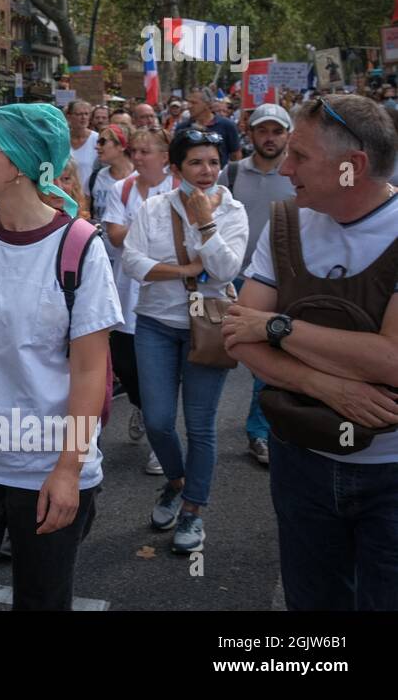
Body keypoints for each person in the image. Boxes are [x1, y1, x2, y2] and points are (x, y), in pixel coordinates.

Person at [0, 103, 120, 610]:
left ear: (23, 162)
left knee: (41, 600)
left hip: (45, 463)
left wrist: (69, 469)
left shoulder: (78, 247)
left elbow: (90, 370)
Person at [223, 94, 398, 610]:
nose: (285, 168)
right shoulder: (286, 224)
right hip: (300, 460)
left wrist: (275, 325)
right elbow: (237, 337)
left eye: (300, 155)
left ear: (353, 166)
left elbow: (392, 360)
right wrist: (327, 385)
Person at [122, 130, 248, 554]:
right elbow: (134, 263)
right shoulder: (152, 209)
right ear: (176, 169)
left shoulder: (233, 211)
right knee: (157, 420)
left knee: (200, 426)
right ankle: (176, 483)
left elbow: (228, 271)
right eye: (196, 163)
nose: (207, 171)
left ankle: (193, 510)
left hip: (208, 325)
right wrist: (187, 271)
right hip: (156, 324)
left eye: (213, 162)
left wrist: (205, 224)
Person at [217, 103, 296, 466]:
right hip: (231, 278)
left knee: (269, 356)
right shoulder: (230, 174)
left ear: (287, 136)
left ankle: (259, 430)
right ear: (250, 133)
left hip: (281, 281)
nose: (269, 138)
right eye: (263, 130)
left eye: (277, 131)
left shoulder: (298, 175)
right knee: (216, 354)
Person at [100, 128, 177, 463]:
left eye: (147, 151)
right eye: (136, 150)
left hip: (168, 296)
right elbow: (115, 236)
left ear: (165, 157)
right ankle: (143, 407)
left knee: (162, 370)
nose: (139, 156)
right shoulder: (123, 188)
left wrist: (140, 229)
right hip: (126, 292)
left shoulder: (177, 188)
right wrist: (153, 225)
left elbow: (181, 239)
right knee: (125, 363)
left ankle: (162, 444)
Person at [178, 90, 241, 167]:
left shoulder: (227, 125)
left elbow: (236, 155)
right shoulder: (182, 128)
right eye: (189, 102)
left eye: (194, 103)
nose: (189, 106)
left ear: (207, 104)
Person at [87, 124, 134, 224]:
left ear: (121, 146)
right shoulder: (95, 178)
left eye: (102, 142)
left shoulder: (140, 178)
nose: (97, 147)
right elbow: (85, 213)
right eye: (97, 142)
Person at [65, 99, 99, 190]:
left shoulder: (97, 139)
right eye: (78, 114)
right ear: (69, 116)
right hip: (66, 193)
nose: (83, 117)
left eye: (86, 114)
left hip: (89, 195)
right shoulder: (61, 139)